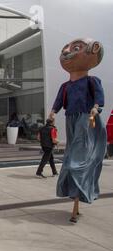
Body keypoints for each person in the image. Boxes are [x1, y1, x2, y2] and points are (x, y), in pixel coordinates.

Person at [49, 38, 106, 223]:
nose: (67, 51)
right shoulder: (65, 86)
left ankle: (77, 174)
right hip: (70, 118)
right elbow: (58, 102)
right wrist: (52, 112)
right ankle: (74, 186)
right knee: (72, 150)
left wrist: (96, 108)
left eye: (76, 47)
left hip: (85, 117)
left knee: (78, 155)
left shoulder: (92, 81)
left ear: (94, 50)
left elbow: (99, 97)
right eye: (65, 48)